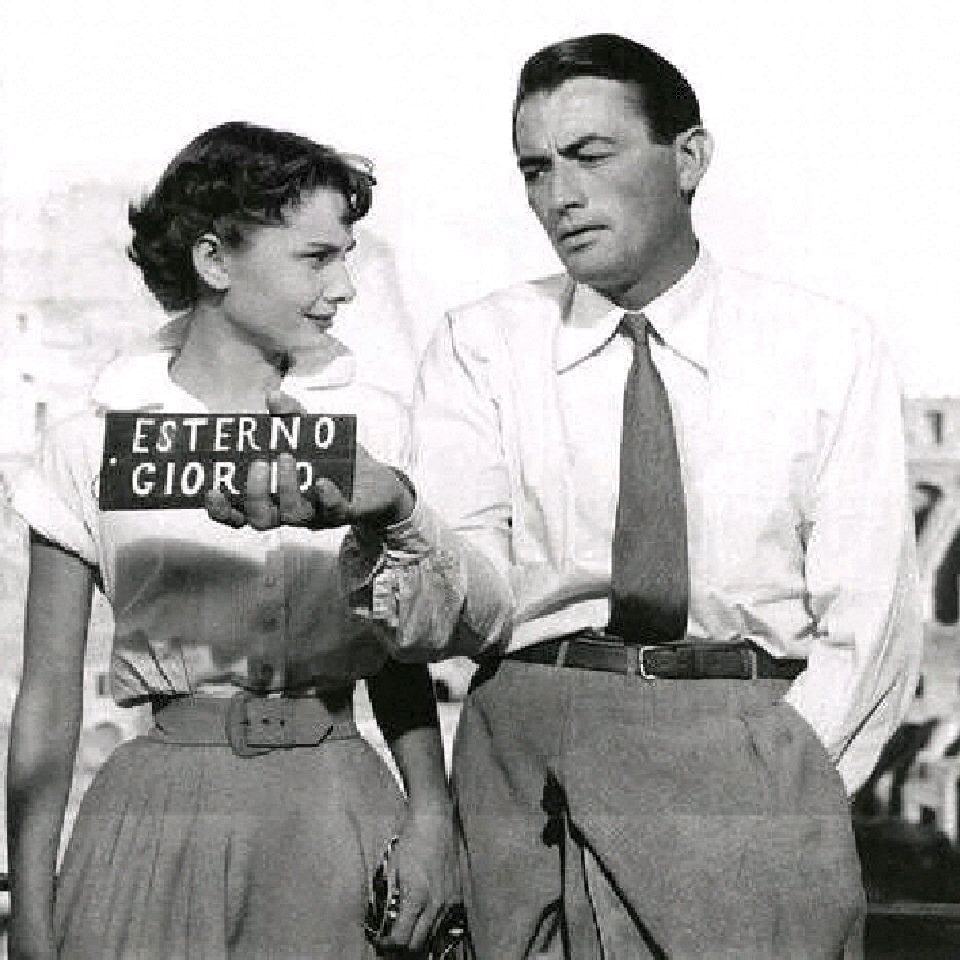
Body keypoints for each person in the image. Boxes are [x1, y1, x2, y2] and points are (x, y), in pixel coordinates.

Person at [211, 34, 923, 959]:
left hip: (748, 773)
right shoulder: (483, 345)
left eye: (591, 155)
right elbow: (460, 615)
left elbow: (870, 620)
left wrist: (781, 783)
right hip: (526, 776)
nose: (560, 195)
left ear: (689, 157)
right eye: (535, 169)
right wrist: (396, 513)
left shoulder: (825, 348)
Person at [6, 121, 456, 960]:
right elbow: (48, 696)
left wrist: (432, 817)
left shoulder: (372, 431)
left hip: (336, 810)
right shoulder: (89, 443)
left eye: (347, 256)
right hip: (158, 823)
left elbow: (400, 653)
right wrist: (32, 915)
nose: (345, 287)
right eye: (316, 258)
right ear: (214, 261)